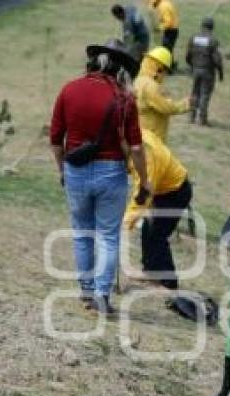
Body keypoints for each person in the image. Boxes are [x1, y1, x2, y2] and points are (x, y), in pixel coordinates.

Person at [50, 39, 151, 315]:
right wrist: (145, 180)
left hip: (76, 170)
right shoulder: (124, 98)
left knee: (82, 233)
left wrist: (62, 170)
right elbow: (137, 147)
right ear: (120, 70)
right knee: (107, 236)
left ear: (94, 63)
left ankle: (85, 290)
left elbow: (56, 139)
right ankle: (101, 296)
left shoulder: (69, 89)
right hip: (111, 172)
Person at [123, 129, 192, 290]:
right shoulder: (136, 136)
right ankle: (150, 272)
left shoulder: (146, 159)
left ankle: (168, 282)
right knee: (149, 229)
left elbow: (142, 196)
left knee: (158, 234)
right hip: (162, 190)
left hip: (175, 192)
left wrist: (125, 224)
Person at [134, 47, 191, 141]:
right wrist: (185, 104)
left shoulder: (139, 80)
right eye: (165, 70)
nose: (165, 75)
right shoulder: (151, 86)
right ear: (159, 68)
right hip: (152, 139)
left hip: (141, 133)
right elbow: (166, 107)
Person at [185, 17, 223, 126]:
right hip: (208, 71)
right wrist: (220, 72)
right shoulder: (213, 40)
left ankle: (191, 116)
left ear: (202, 25)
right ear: (212, 27)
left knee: (195, 92)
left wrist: (191, 66)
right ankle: (202, 119)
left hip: (196, 69)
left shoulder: (193, 38)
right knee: (204, 95)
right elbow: (217, 59)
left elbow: (188, 55)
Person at [149, 0, 180, 73]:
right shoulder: (165, 2)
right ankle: (170, 65)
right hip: (173, 30)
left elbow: (168, 22)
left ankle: (169, 69)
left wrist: (159, 28)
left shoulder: (163, 6)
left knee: (166, 49)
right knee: (168, 49)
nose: (154, 6)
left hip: (171, 31)